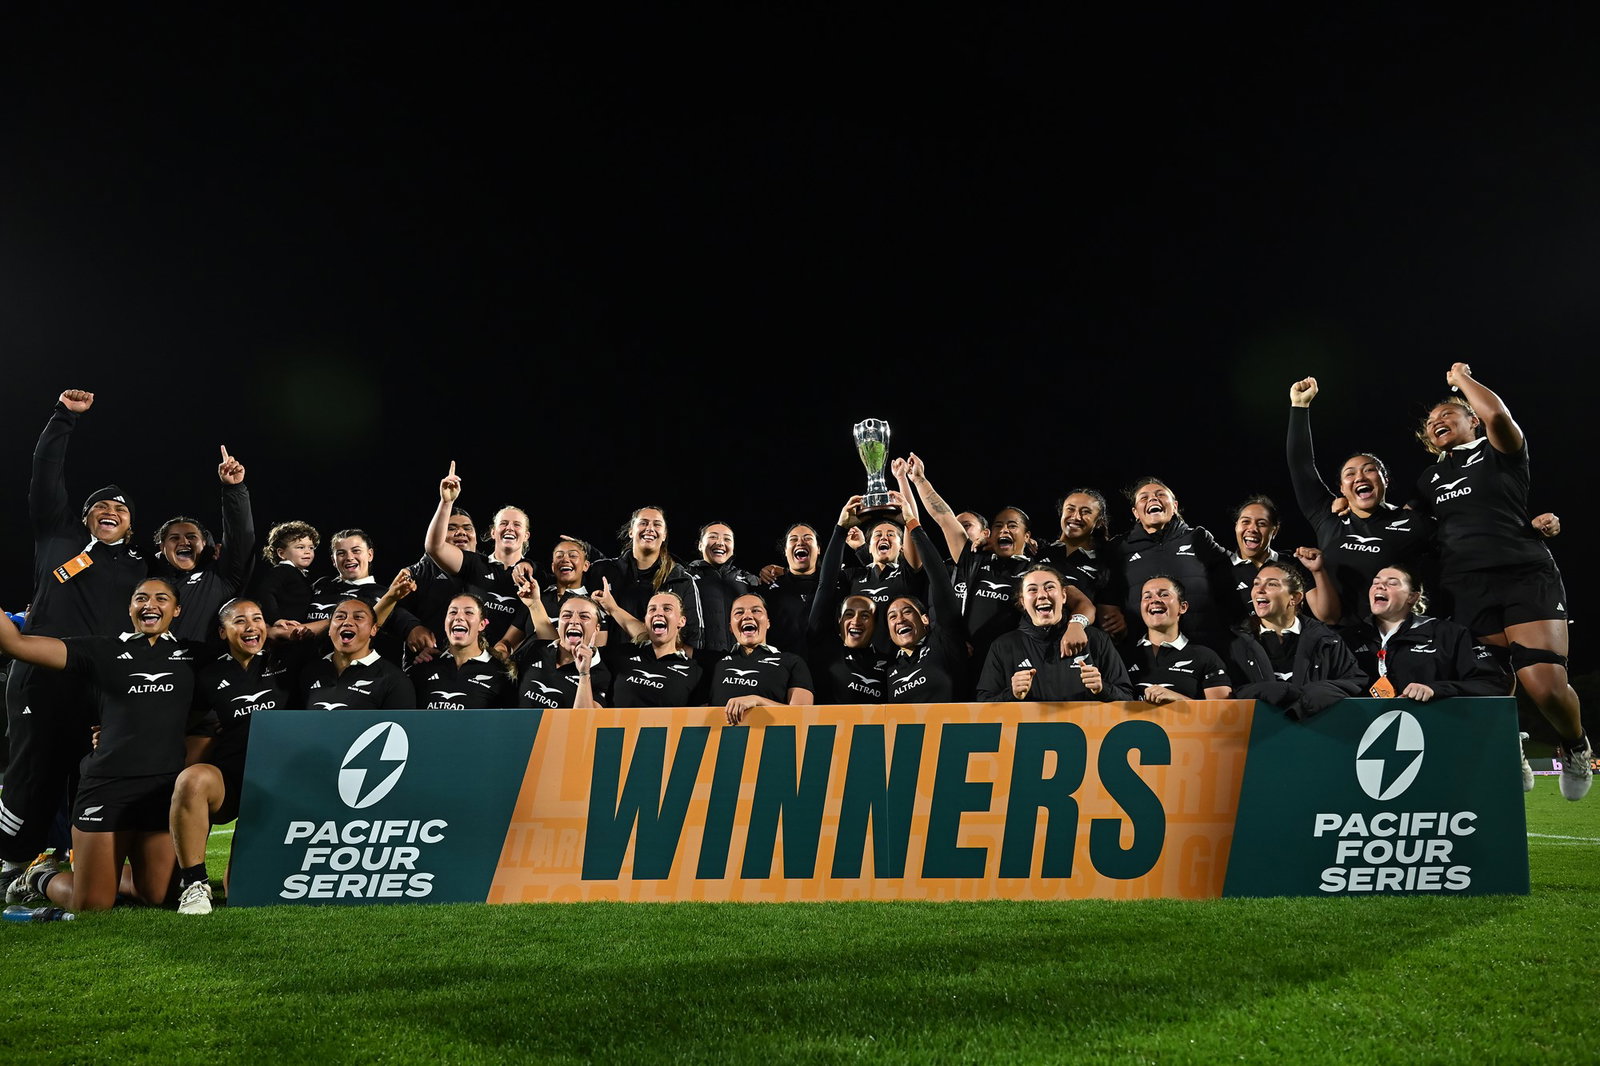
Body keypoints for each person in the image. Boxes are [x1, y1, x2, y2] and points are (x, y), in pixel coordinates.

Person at [1412, 363, 1589, 799]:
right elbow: (1410, 529)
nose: (1437, 421)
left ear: (1472, 418)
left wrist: (1462, 381)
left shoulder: (1498, 449)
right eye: (1431, 421)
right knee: (1487, 687)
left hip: (1523, 574)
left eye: (1448, 414)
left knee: (1543, 686)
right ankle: (1511, 748)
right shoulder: (1429, 480)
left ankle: (1576, 743)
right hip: (1465, 587)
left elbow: (1499, 419)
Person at [2, 390, 149, 897]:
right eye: (101, 507)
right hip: (42, 676)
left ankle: (64, 858)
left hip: (97, 685)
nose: (111, 511)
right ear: (84, 517)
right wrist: (65, 417)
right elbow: (45, 472)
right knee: (32, 770)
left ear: (131, 526)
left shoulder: (139, 569)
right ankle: (12, 859)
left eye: (121, 509)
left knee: (86, 771)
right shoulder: (58, 540)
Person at [1, 579, 204, 912]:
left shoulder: (194, 655)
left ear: (177, 610)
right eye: (141, 598)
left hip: (161, 788)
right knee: (93, 904)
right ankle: (38, 876)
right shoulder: (99, 650)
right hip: (107, 787)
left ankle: (103, 875)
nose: (150, 604)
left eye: (161, 598)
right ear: (130, 608)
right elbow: (14, 644)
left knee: (158, 896)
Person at [904, 453, 1094, 663]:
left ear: (1027, 536)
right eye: (998, 526)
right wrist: (920, 480)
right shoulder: (975, 559)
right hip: (964, 661)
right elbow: (944, 517)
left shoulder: (1038, 574)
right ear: (990, 535)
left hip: (1011, 664)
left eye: (1012, 526)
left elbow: (1084, 604)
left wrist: (1077, 624)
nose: (1004, 529)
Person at [171, 597, 293, 913]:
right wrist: (114, 731)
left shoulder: (287, 663)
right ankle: (195, 885)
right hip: (231, 780)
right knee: (192, 779)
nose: (251, 627)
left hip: (276, 789)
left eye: (257, 618)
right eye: (240, 621)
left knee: (241, 891)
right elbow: (179, 723)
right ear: (223, 632)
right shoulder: (208, 677)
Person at [1286, 377, 1438, 624]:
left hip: (1390, 641)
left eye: (1369, 470)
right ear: (1341, 489)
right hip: (1338, 643)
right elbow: (1301, 465)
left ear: (1385, 480)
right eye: (1350, 474)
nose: (1359, 477)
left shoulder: (1414, 523)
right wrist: (1299, 408)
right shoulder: (1328, 516)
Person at [1098, 478, 1236, 650]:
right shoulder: (1118, 548)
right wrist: (1110, 618)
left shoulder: (1197, 538)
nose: (1153, 499)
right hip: (1144, 654)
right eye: (1144, 497)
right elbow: (1106, 596)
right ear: (1135, 512)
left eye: (1160, 494)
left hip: (1206, 646)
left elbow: (1237, 569)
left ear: (1175, 506)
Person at [1224, 563, 1365, 720]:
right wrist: (1267, 691)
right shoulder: (1234, 641)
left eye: (1271, 584)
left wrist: (1308, 698)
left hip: (1315, 736)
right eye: (1256, 583)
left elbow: (1354, 682)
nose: (1259, 589)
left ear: (1295, 598)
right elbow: (1225, 693)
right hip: (1254, 737)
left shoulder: (1327, 640)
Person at [151, 445, 256, 654]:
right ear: (162, 548)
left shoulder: (220, 577)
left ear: (204, 544)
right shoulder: (148, 579)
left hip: (208, 673)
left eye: (191, 537)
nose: (184, 542)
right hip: (159, 673)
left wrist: (234, 490)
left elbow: (240, 537)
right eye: (174, 538)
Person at [976, 566, 1135, 703]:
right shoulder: (1003, 646)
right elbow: (984, 704)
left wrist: (1103, 689)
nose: (1042, 595)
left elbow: (1127, 697)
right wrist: (1012, 694)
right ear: (1023, 602)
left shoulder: (1096, 639)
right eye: (1032, 589)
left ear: (1064, 595)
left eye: (1049, 587)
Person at [421, 463, 533, 653]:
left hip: (513, 666)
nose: (510, 528)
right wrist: (446, 503)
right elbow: (435, 547)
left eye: (517, 525)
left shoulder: (536, 573)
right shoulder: (474, 563)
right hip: (470, 659)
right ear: (493, 532)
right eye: (504, 523)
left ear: (526, 535)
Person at [589, 507, 704, 674]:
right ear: (630, 531)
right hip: (606, 671)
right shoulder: (601, 571)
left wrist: (612, 608)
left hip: (658, 674)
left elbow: (692, 639)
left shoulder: (681, 580)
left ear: (664, 535)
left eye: (657, 524)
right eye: (643, 523)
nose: (650, 528)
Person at [805, 498, 895, 704]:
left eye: (865, 616)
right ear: (838, 621)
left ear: (875, 623)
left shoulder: (891, 665)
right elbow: (825, 585)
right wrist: (840, 529)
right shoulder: (824, 648)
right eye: (849, 614)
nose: (856, 621)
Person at [1122, 576, 1232, 703]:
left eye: (1164, 595)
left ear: (1183, 607)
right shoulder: (1121, 655)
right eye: (1147, 596)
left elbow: (1222, 715)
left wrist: (1180, 700)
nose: (1155, 600)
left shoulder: (1205, 657)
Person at [1226, 494, 1333, 622]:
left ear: (1275, 531)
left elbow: (1328, 617)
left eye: (1261, 523)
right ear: (1236, 526)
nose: (1252, 529)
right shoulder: (1220, 569)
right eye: (1245, 521)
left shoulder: (1294, 564)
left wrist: (1318, 571)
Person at [298, 596, 415, 710]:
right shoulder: (310, 672)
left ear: (373, 629)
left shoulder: (394, 680)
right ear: (329, 629)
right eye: (340, 617)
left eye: (358, 617)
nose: (347, 622)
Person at [715, 593, 815, 724]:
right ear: (730, 627)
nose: (747, 616)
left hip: (771, 743)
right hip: (720, 742)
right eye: (739, 613)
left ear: (768, 622)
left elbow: (803, 717)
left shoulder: (792, 662)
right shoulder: (715, 662)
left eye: (756, 610)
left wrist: (758, 701)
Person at [408, 593, 518, 709]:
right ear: (445, 623)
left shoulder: (501, 674)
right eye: (453, 612)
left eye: (469, 612)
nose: (459, 617)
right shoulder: (424, 665)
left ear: (482, 624)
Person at [611, 591, 710, 707]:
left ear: (681, 621)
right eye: (652, 609)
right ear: (646, 621)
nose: (658, 613)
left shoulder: (695, 672)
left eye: (667, 609)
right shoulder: (621, 655)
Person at [516, 595, 608, 710]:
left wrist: (584, 674)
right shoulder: (536, 648)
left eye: (584, 616)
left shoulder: (600, 673)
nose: (574, 621)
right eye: (567, 615)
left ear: (597, 628)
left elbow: (586, 722)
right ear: (559, 623)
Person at [684, 521, 759, 659]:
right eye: (713, 537)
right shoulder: (685, 577)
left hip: (740, 662)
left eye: (727, 539)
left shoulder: (749, 580)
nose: (720, 542)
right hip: (698, 661)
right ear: (700, 545)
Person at [252, 520, 320, 642]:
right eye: (300, 547)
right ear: (281, 553)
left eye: (311, 547)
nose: (307, 551)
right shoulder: (282, 570)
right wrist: (276, 619)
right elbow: (265, 592)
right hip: (284, 633)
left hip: (299, 632)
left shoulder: (302, 574)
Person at [761, 522, 823, 654]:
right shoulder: (768, 587)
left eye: (808, 538)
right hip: (783, 669)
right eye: (793, 539)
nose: (800, 542)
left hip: (826, 668)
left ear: (818, 549)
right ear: (785, 550)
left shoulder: (835, 583)